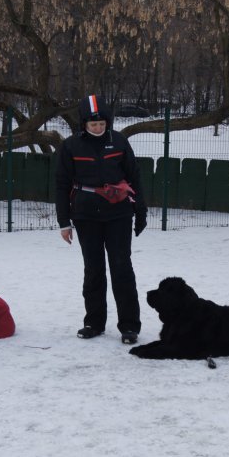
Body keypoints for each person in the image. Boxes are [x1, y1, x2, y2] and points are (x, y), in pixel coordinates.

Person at [55, 95, 148, 345]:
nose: (98, 128)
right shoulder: (71, 146)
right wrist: (64, 221)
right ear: (83, 124)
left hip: (118, 214)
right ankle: (93, 322)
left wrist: (140, 210)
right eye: (92, 124)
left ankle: (129, 326)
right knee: (93, 269)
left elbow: (134, 176)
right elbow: (62, 184)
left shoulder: (119, 142)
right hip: (86, 216)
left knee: (121, 267)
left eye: (102, 124)